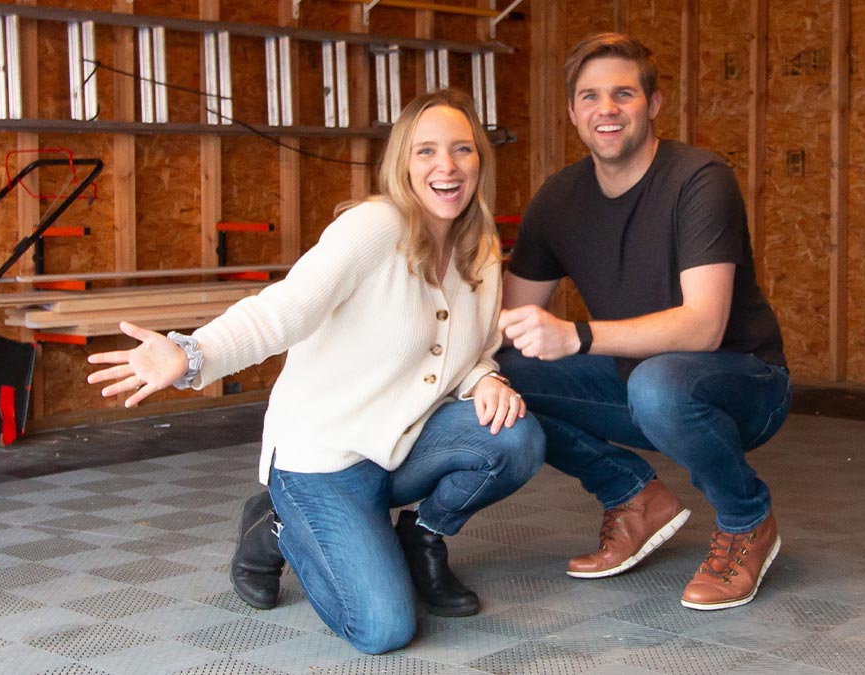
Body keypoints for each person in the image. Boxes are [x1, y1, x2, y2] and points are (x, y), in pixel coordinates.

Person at [87, 89, 546, 654]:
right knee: (382, 628)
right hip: (324, 458)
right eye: (426, 151)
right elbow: (286, 308)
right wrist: (193, 353)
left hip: (397, 446)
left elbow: (469, 350)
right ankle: (276, 519)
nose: (446, 167)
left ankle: (421, 540)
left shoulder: (480, 248)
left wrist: (487, 381)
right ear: (402, 162)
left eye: (462, 150)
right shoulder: (374, 228)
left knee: (516, 437)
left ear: (481, 160)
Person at [497, 33, 791, 612]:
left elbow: (703, 327)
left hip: (744, 383)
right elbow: (507, 316)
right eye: (590, 97)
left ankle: (746, 519)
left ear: (652, 106)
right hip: (638, 381)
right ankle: (631, 496)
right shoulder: (557, 199)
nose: (606, 109)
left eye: (623, 94)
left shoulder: (699, 180)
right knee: (507, 375)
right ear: (574, 113)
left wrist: (576, 335)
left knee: (660, 385)